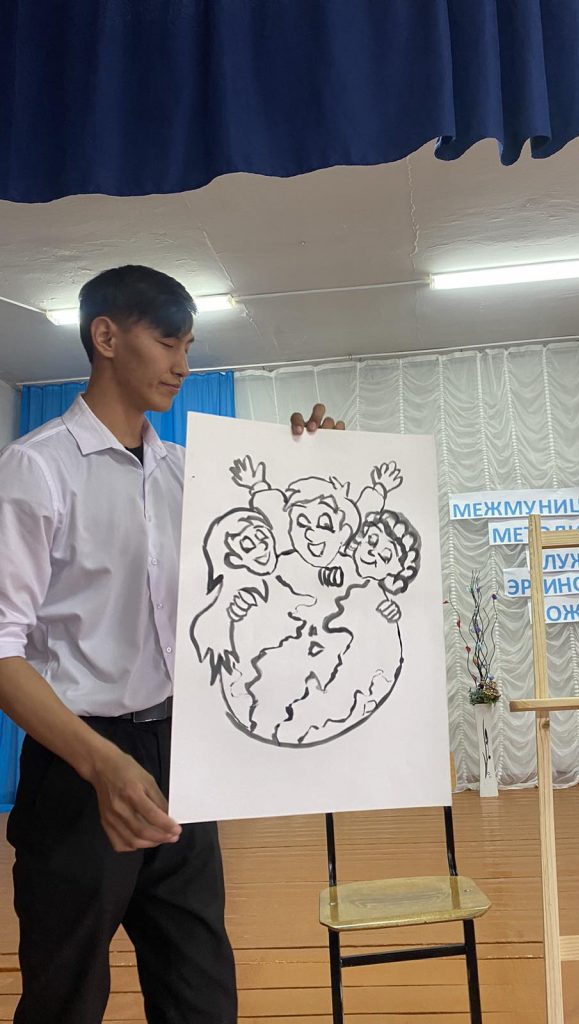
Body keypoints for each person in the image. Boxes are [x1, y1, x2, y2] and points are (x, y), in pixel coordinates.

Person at [0, 264, 345, 1024]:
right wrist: (101, 763)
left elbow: (283, 571)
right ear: (106, 337)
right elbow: (0, 649)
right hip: (78, 766)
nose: (182, 363)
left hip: (181, 761)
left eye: (188, 345)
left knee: (201, 995)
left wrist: (314, 468)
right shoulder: (35, 470)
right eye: (167, 341)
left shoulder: (189, 474)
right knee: (64, 1000)